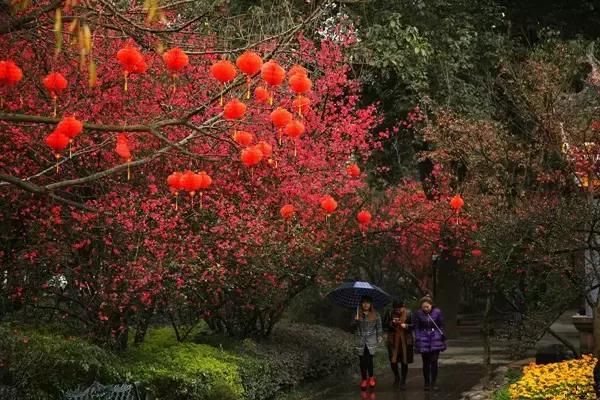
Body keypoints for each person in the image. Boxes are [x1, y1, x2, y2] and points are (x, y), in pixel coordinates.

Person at [414, 295, 446, 391]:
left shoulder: (437, 312)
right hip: (423, 338)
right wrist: (418, 337)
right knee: (426, 362)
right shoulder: (418, 314)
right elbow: (417, 327)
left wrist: (441, 335)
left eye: (427, 306)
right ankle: (426, 383)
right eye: (424, 307)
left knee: (434, 361)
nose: (426, 309)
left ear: (431, 305)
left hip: (435, 338)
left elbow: (441, 325)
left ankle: (434, 382)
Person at [352, 295, 383, 390]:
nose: (366, 305)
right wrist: (355, 321)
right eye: (364, 303)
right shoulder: (357, 314)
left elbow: (379, 326)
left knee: (369, 360)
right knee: (362, 361)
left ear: (370, 304)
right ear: (361, 304)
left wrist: (379, 336)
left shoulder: (375, 314)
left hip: (371, 339)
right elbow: (351, 327)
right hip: (360, 340)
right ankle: (364, 379)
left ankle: (371, 377)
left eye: (368, 303)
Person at [383, 298, 413, 390]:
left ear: (403, 307)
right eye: (396, 308)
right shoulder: (389, 313)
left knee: (405, 361)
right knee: (393, 360)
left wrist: (406, 326)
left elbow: (414, 325)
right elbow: (385, 325)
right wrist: (392, 323)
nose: (398, 310)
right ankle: (397, 376)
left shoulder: (409, 313)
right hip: (393, 340)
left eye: (400, 308)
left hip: (405, 340)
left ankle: (403, 381)